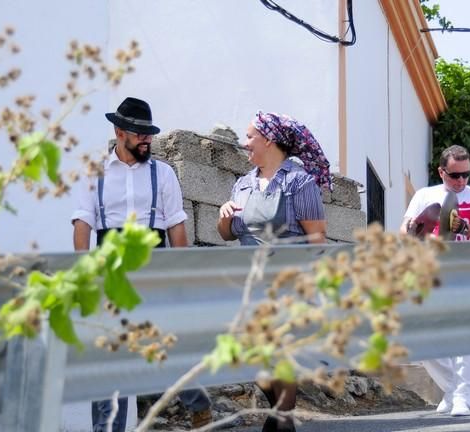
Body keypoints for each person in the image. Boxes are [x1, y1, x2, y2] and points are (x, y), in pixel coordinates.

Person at [71, 97, 212, 431]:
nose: (147, 139)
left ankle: (198, 405)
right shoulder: (94, 175)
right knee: (109, 360)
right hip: (111, 274)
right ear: (120, 132)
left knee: (170, 348)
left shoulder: (163, 174)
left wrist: (182, 278)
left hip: (156, 270)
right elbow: (82, 225)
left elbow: (177, 226)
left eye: (149, 133)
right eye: (140, 133)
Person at [217, 111, 330, 432]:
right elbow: (227, 234)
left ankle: (282, 419)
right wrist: (224, 216)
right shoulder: (243, 184)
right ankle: (282, 416)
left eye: (250, 136)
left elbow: (317, 238)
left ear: (268, 141)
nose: (244, 143)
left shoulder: (299, 182)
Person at [400, 145, 470, 416]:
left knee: (464, 336)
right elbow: (405, 229)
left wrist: (463, 227)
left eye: (466, 174)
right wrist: (413, 229)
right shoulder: (424, 195)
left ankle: (463, 397)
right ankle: (453, 388)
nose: (462, 181)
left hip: (467, 273)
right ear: (442, 171)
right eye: (455, 175)